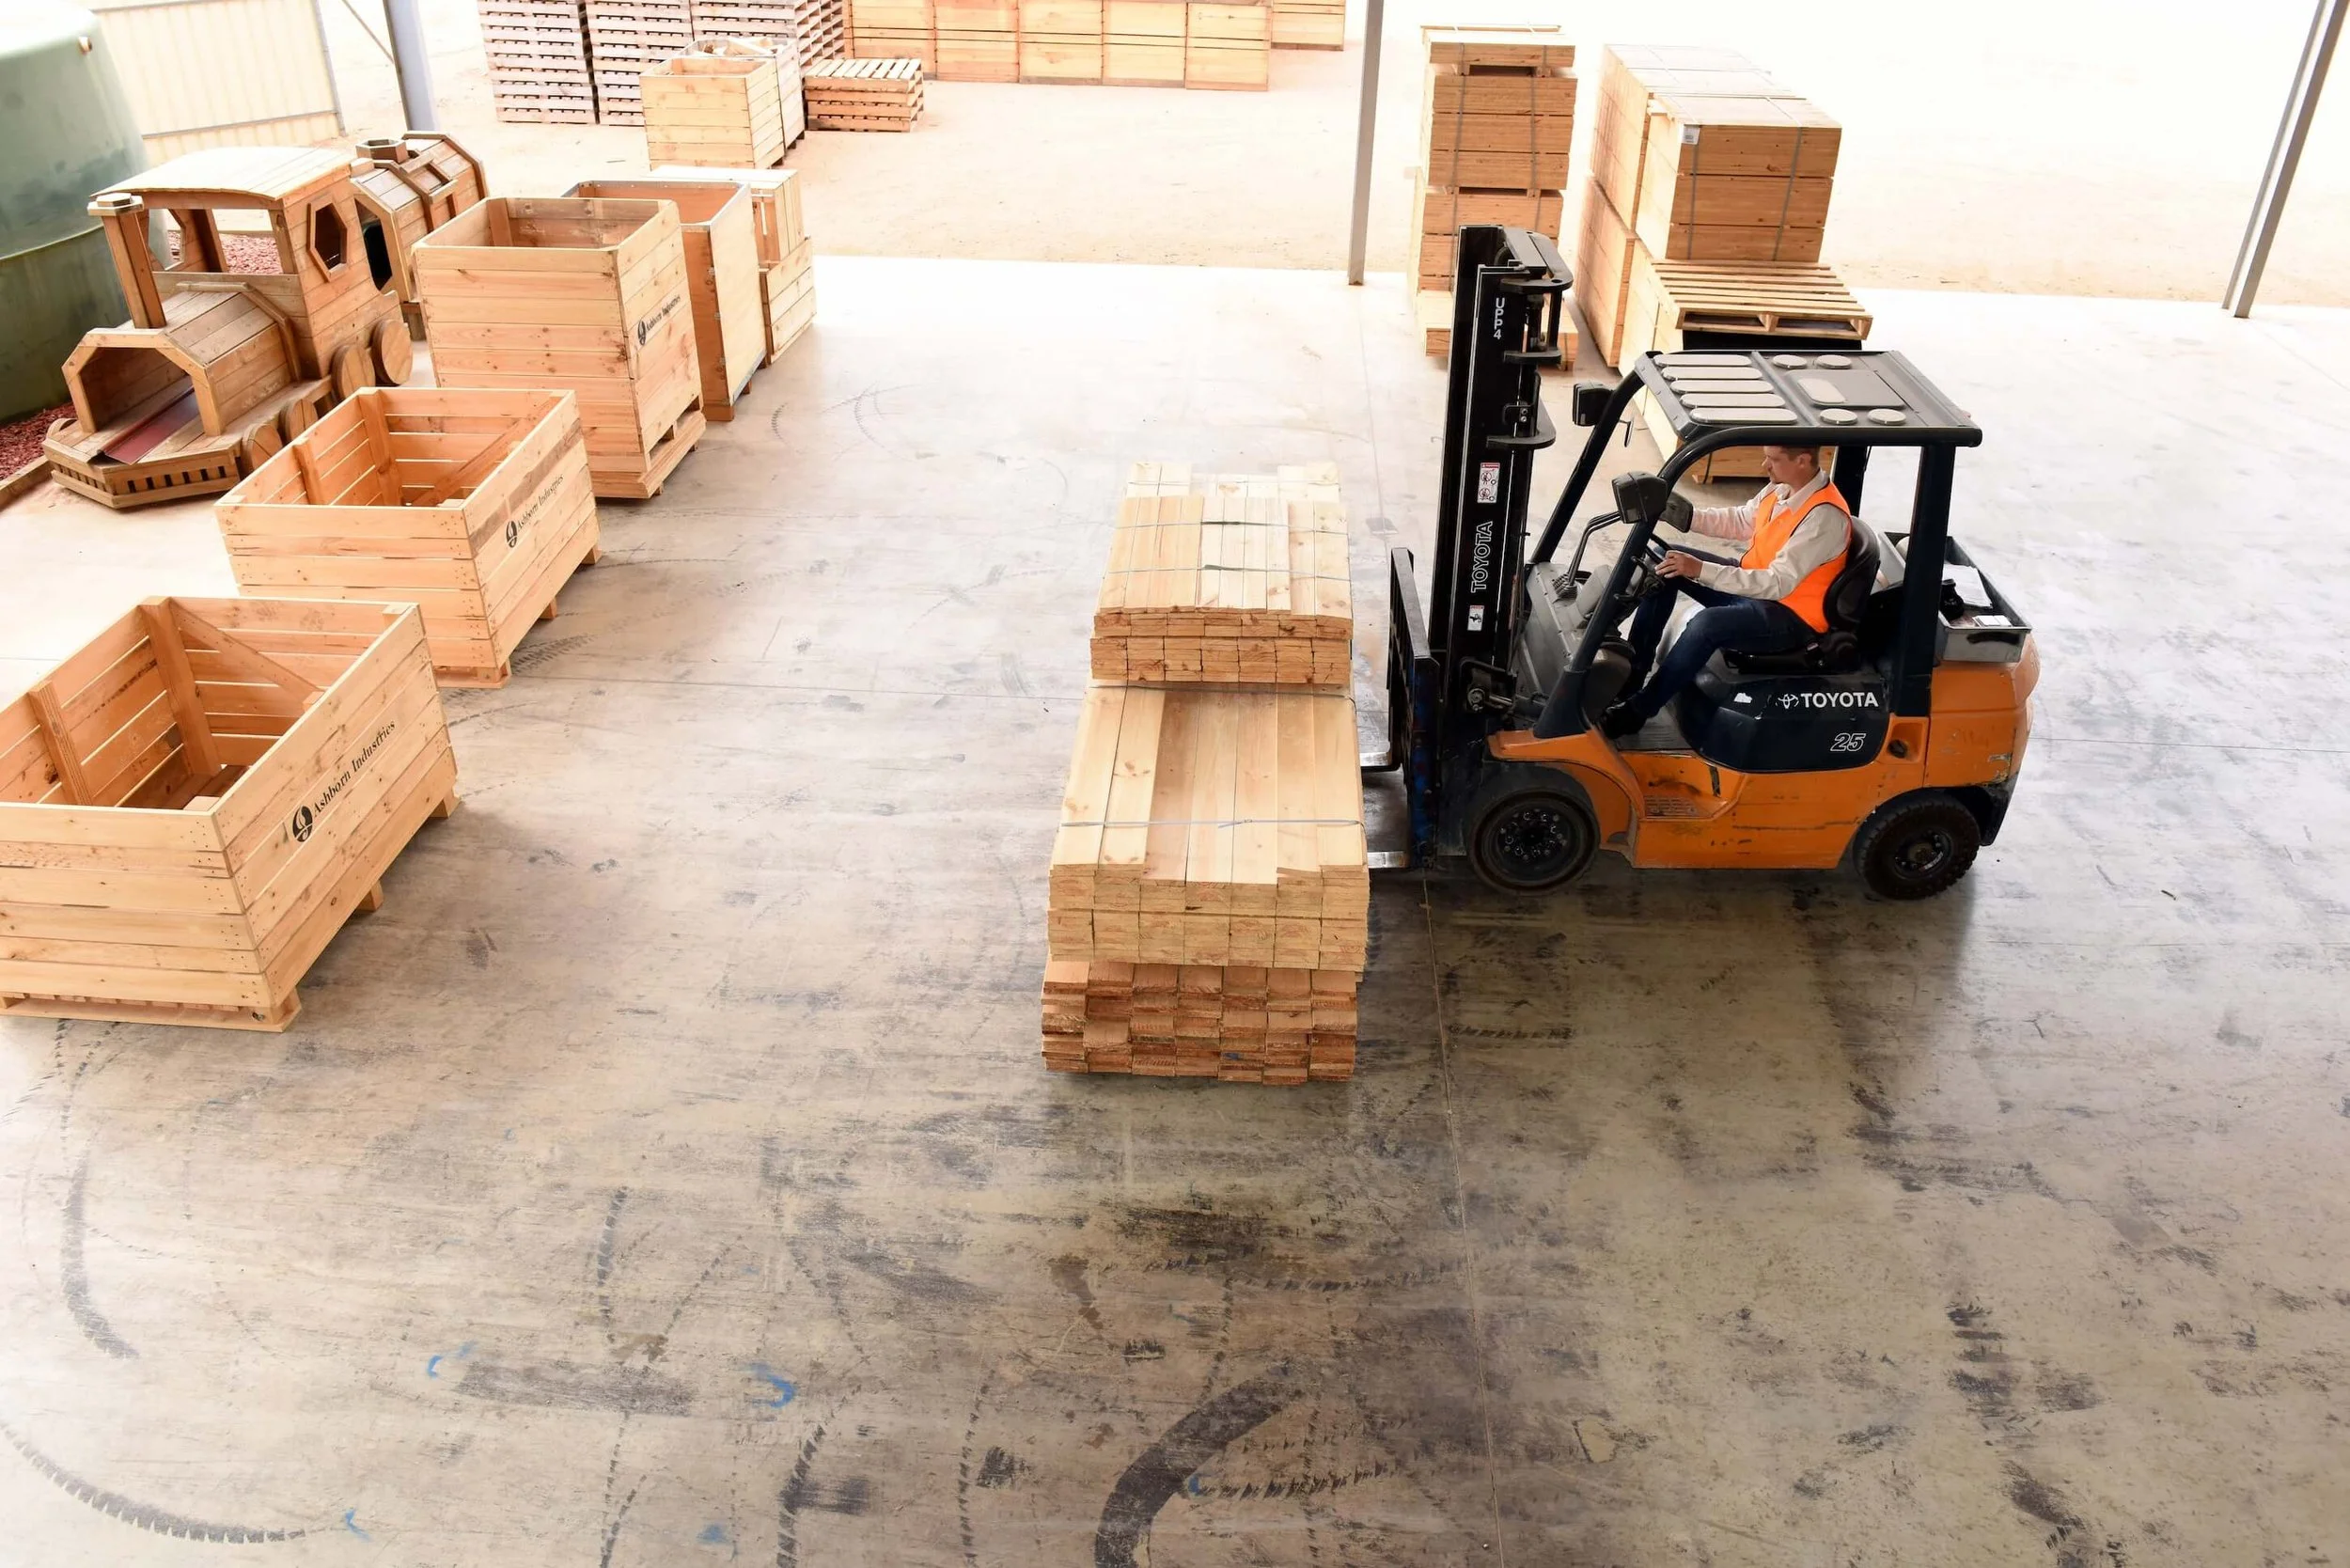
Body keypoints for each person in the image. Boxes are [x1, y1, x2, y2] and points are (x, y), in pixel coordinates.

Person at [1601, 444, 1853, 739]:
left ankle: (1637, 712)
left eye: (1773, 459)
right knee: (1664, 561)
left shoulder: (1824, 518)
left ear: (1802, 460)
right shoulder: (1782, 490)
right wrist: (1686, 516)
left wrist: (1700, 569)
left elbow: (1777, 582)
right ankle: (1632, 675)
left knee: (1707, 625)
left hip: (1790, 615)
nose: (1764, 465)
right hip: (1756, 586)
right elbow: (1741, 520)